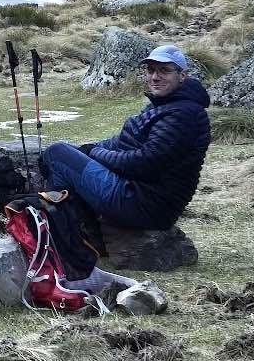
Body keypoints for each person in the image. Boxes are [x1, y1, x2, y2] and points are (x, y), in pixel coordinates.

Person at [39, 44, 210, 230]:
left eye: (164, 71)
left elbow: (142, 163)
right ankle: (71, 225)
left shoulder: (184, 115)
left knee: (57, 153)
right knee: (66, 152)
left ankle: (60, 231)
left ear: (182, 75)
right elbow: (121, 141)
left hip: (142, 204)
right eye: (151, 70)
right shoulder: (165, 104)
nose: (155, 77)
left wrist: (93, 152)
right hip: (137, 195)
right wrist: (84, 149)